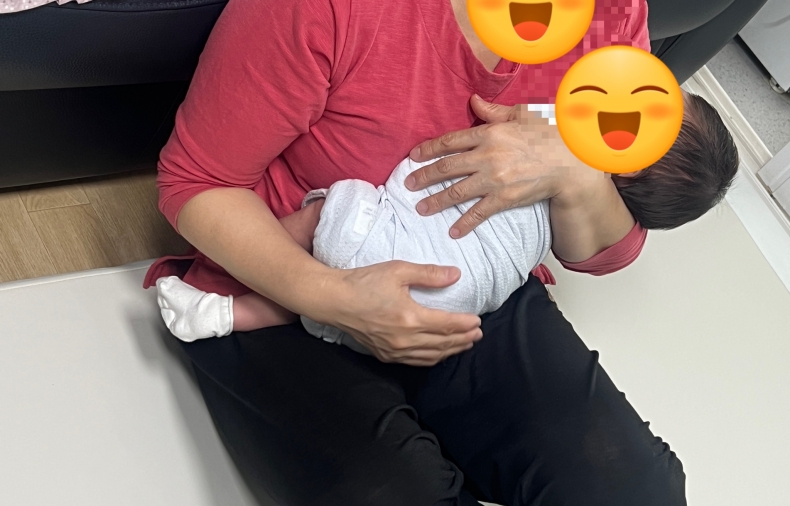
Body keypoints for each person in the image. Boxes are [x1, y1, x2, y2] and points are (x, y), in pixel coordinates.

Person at [142, 0, 691, 504]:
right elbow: (196, 181)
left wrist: (576, 176)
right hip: (284, 272)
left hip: (470, 281)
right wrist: (331, 297)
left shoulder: (611, 16)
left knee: (639, 490)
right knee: (395, 491)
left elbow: (606, 250)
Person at [153, 93, 737, 348]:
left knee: (324, 217)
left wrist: (577, 174)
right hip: (459, 305)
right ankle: (246, 313)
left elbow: (615, 251)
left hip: (408, 254)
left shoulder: (576, 120)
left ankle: (233, 297)